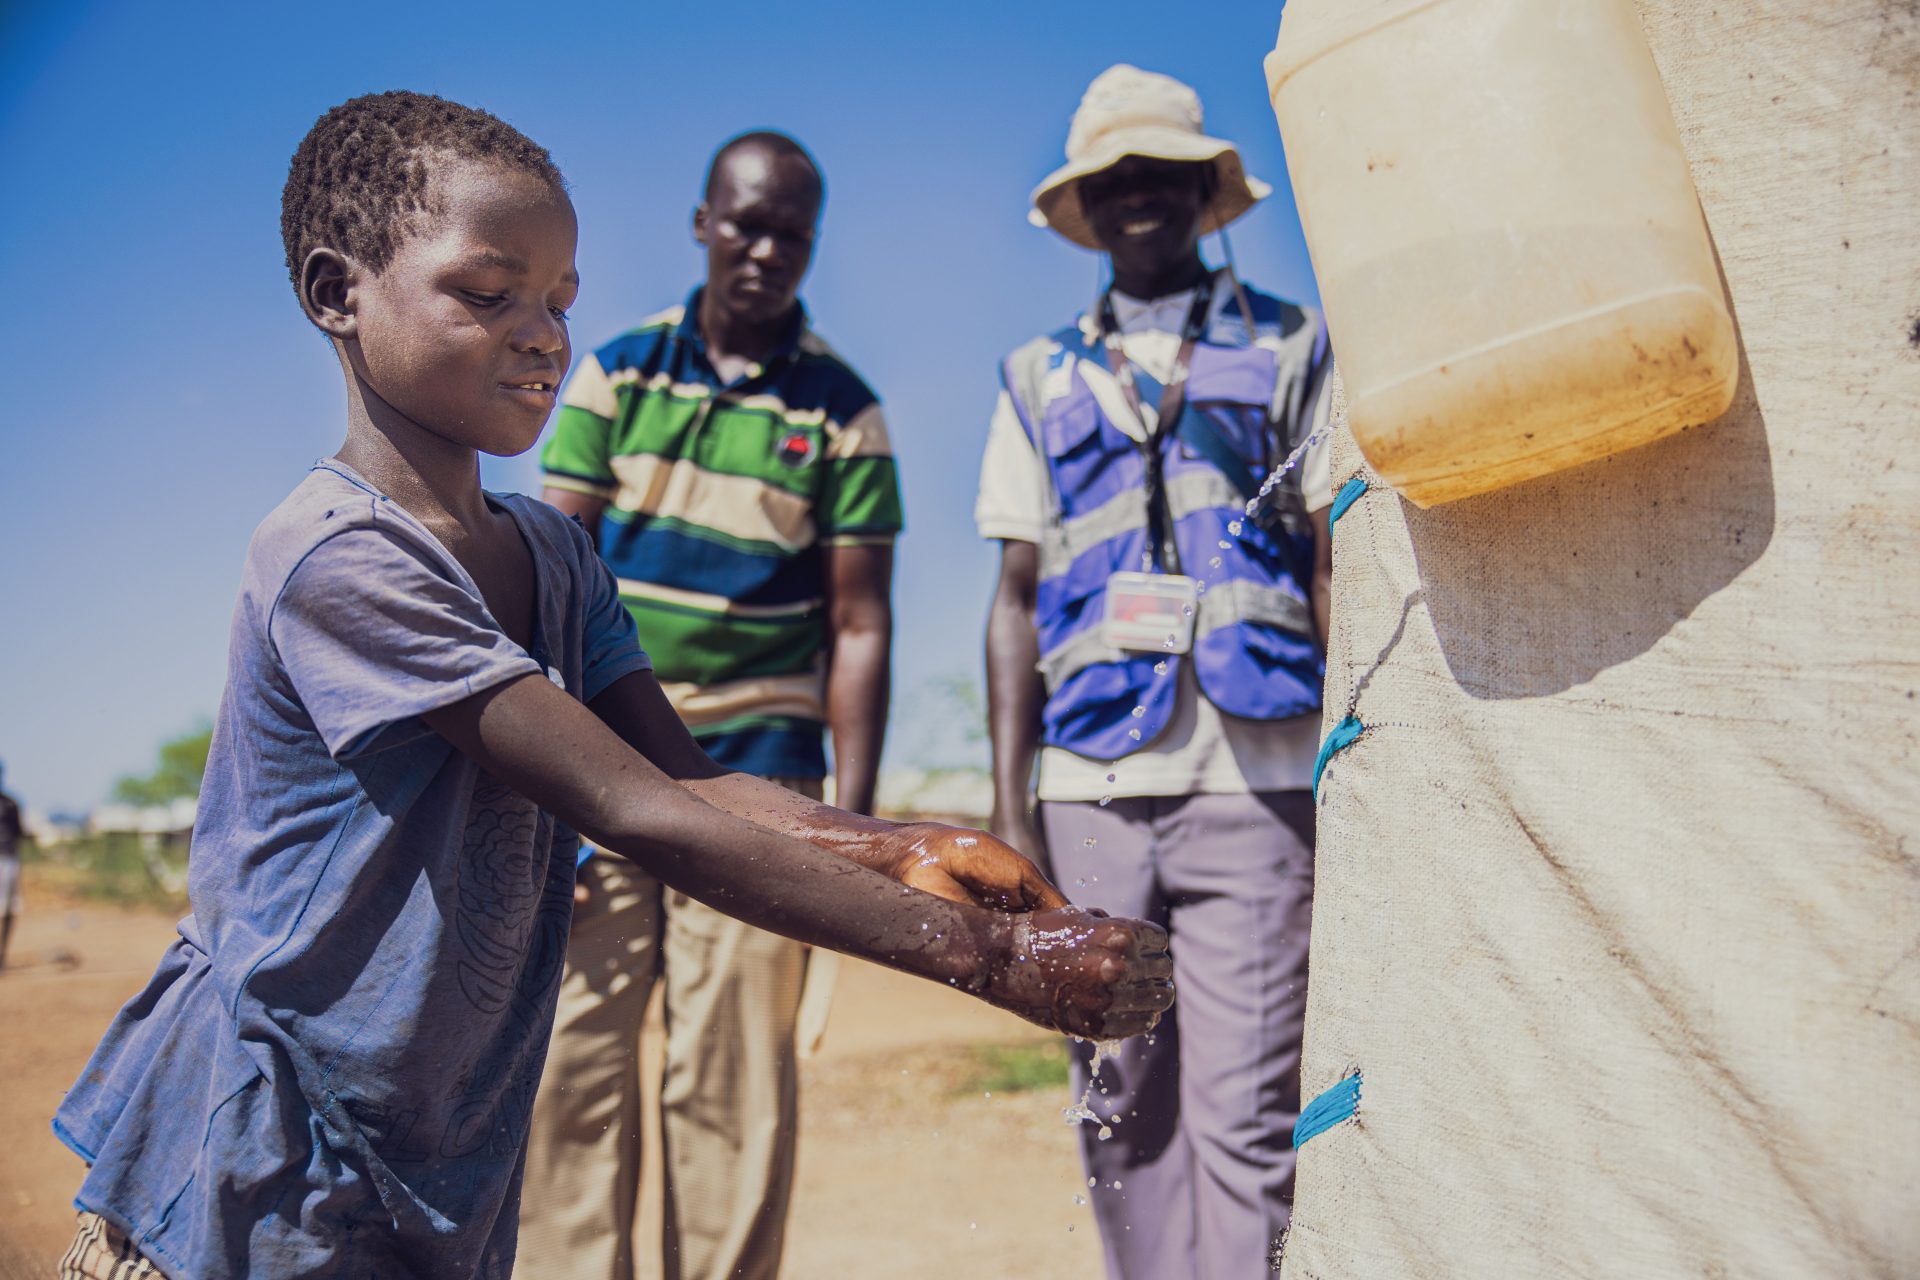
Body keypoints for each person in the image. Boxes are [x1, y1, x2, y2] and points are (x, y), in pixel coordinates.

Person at [49, 91, 1172, 1280]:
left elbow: (689, 776)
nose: (542, 334)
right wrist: (988, 961)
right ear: (338, 293)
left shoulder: (552, 551)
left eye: (559, 302)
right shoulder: (342, 557)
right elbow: (633, 812)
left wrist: (902, 843)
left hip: (429, 1157)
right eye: (489, 295)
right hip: (265, 1156)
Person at [976, 65, 1334, 1280]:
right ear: (1088, 205)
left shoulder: (1288, 344)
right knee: (1118, 1094)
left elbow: (1337, 552)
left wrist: (1353, 752)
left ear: (1203, 190)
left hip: (1262, 768)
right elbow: (1014, 598)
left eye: (1163, 174)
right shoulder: (1036, 375)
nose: (1140, 196)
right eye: (1114, 178)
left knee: (1248, 1107)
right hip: (1092, 777)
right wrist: (1010, 800)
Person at [519, 130, 897, 1280]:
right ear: (701, 222)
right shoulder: (620, 371)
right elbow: (556, 564)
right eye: (745, 224)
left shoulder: (845, 410)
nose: (766, 250)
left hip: (763, 790)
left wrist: (856, 829)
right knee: (568, 1073)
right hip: (604, 775)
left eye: (791, 231)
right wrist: (558, 773)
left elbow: (861, 624)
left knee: (731, 1090)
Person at [0, 762, 24, 971]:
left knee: (8, 908)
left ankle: (2, 955)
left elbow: (18, 832)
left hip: (8, 859)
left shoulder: (10, 804)